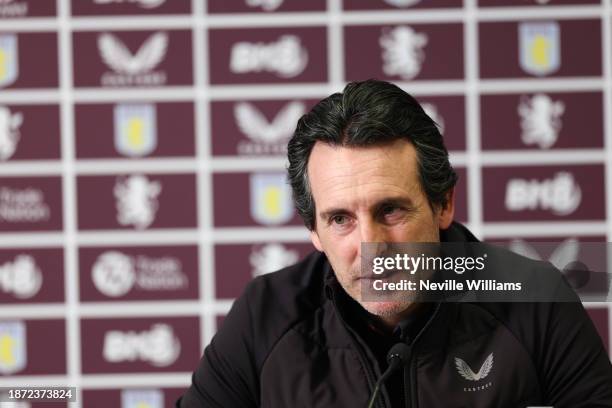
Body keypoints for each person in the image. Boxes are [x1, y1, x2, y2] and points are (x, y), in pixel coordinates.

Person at [178, 80, 612, 407]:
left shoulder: (536, 299)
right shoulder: (266, 315)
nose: (373, 245)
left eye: (390, 211)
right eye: (341, 219)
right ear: (314, 231)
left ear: (443, 204)